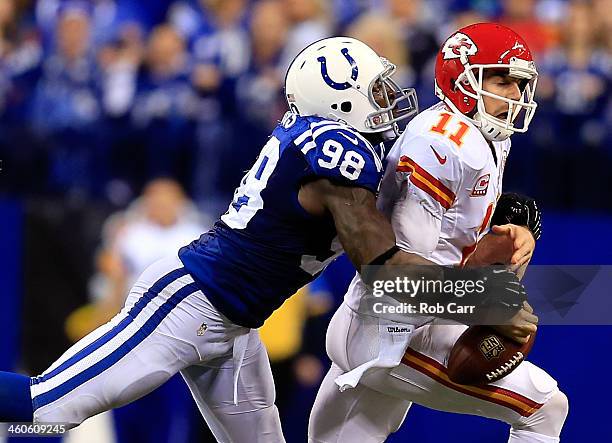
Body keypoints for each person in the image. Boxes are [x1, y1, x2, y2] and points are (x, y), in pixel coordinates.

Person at [0, 36, 426, 441]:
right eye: (377, 90)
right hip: (190, 304)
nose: (387, 100)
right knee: (49, 409)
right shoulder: (336, 151)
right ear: (341, 99)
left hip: (236, 325)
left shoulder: (325, 142)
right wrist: (487, 296)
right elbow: (382, 268)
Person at [308, 23, 568, 443]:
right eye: (503, 80)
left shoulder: (476, 132)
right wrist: (487, 304)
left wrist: (513, 231)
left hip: (390, 319)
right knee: (545, 408)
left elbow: (450, 237)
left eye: (520, 84)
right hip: (387, 331)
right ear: (462, 78)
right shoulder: (444, 143)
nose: (516, 96)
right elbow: (396, 279)